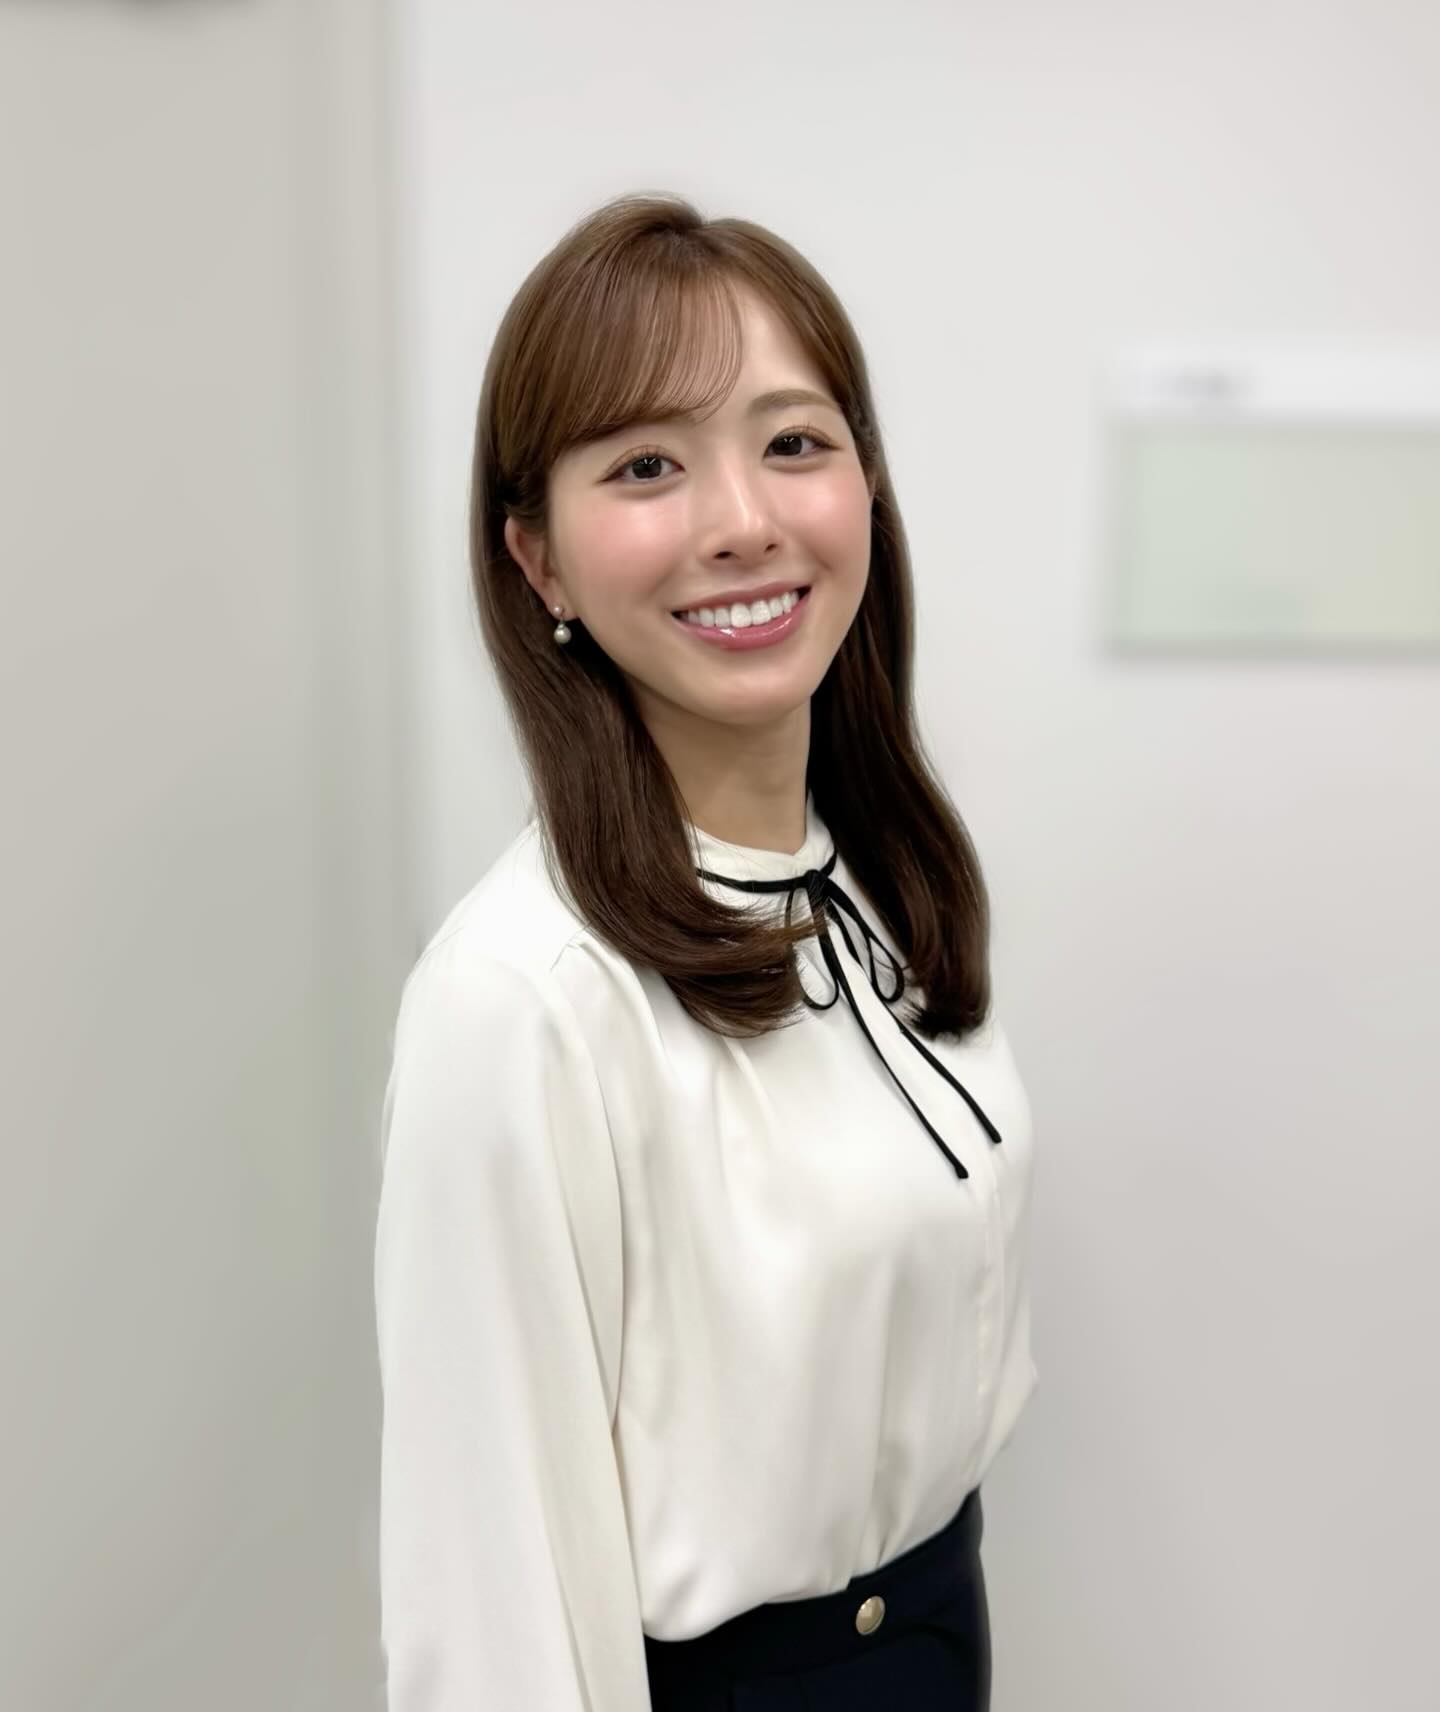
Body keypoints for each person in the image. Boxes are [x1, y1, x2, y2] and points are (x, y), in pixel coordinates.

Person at [373, 191, 1039, 1712]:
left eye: (793, 442)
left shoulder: (876, 883)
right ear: (537, 560)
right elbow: (489, 1601)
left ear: (867, 484)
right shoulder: (523, 998)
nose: (743, 519)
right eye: (647, 466)